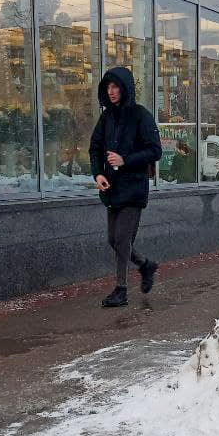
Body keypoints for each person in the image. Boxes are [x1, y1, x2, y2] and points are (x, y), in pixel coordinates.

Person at [89, 66, 163, 308]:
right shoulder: (106, 117)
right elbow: (95, 147)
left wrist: (125, 160)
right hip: (112, 188)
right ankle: (145, 265)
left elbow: (155, 150)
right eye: (108, 87)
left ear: (125, 88)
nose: (111, 92)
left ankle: (121, 290)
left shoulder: (141, 115)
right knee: (114, 240)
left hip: (133, 188)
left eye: (115, 86)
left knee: (121, 239)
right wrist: (98, 173)